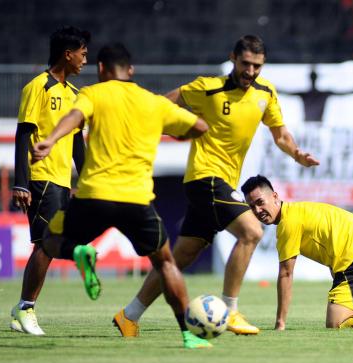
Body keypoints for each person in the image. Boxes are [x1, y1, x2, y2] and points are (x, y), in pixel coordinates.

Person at [114, 35, 319, 337]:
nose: (251, 71)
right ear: (233, 58)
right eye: (246, 64)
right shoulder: (207, 88)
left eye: (257, 66)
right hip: (205, 178)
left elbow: (280, 134)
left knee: (179, 257)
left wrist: (297, 154)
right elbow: (162, 105)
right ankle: (231, 311)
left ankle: (128, 316)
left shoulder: (265, 93)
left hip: (220, 182)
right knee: (252, 231)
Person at [31, 43, 212, 349]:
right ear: (131, 70)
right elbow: (200, 126)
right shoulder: (154, 102)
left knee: (48, 241)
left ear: (101, 68)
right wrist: (176, 131)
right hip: (137, 200)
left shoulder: (92, 93)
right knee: (166, 263)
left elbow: (75, 116)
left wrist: (50, 140)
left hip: (93, 196)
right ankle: (190, 335)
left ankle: (78, 252)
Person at [240, 175, 353, 329]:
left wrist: (280, 323)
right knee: (346, 316)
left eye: (260, 202)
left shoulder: (288, 223)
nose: (257, 210)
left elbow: (286, 274)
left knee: (337, 322)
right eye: (251, 206)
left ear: (274, 196)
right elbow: (332, 238)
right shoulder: (297, 211)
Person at [10, 25, 90, 336]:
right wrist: (20, 182)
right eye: (82, 54)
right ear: (67, 54)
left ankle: (22, 308)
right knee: (45, 244)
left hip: (61, 181)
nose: (85, 60)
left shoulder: (75, 95)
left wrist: (85, 178)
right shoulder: (38, 87)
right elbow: (23, 134)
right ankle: (26, 309)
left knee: (50, 245)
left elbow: (78, 143)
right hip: (40, 179)